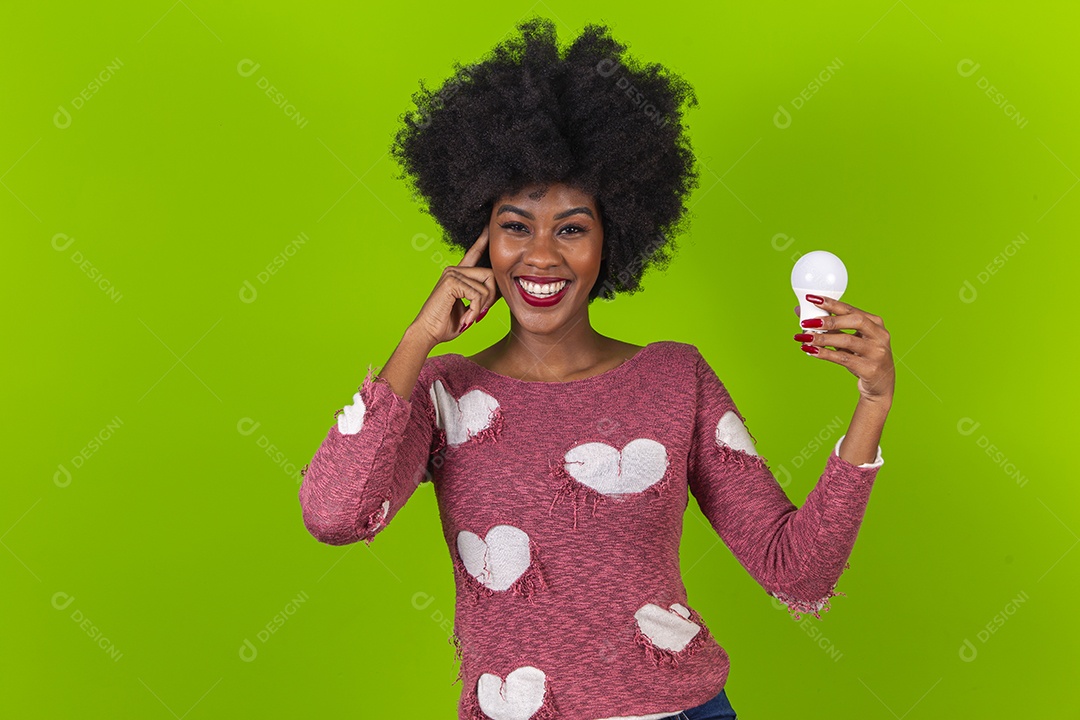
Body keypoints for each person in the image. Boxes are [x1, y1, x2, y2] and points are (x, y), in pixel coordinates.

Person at [298, 17, 893, 720]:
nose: (542, 255)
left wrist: (872, 403)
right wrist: (418, 338)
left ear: (611, 239)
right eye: (516, 225)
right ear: (481, 239)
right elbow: (333, 515)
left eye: (572, 228)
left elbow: (797, 571)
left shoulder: (676, 379)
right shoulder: (442, 394)